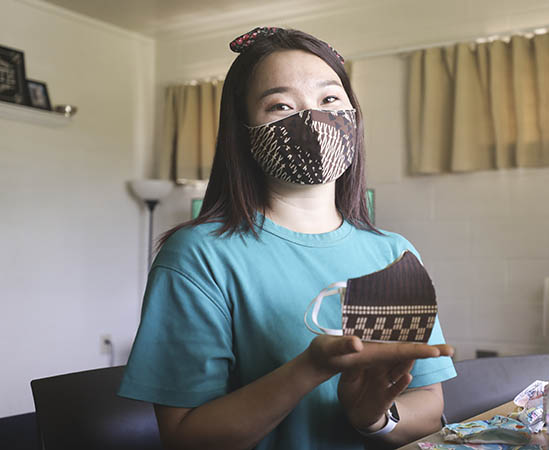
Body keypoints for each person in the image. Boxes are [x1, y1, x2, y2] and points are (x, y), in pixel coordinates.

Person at [118, 27, 457, 450]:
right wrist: (309, 369)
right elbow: (186, 436)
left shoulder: (393, 254)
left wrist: (374, 419)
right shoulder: (199, 256)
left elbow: (428, 402)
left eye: (330, 99)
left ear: (353, 116)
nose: (312, 118)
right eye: (280, 105)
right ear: (242, 133)